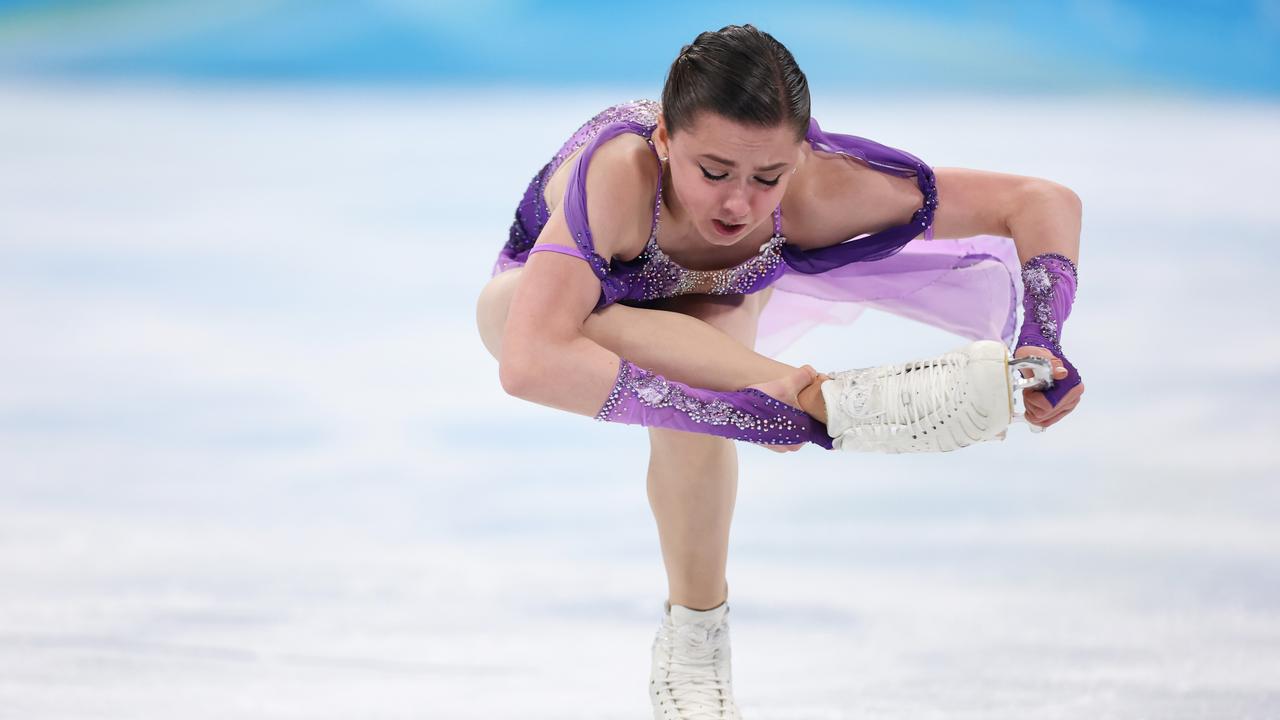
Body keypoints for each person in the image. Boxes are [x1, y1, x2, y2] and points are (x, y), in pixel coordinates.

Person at [475, 24, 1084, 720]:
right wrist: (740, 410)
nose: (738, 205)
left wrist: (1045, 335)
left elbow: (1041, 200)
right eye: (713, 172)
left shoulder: (819, 189)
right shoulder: (621, 173)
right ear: (666, 141)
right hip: (558, 297)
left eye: (768, 177)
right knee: (514, 315)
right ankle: (801, 392)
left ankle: (696, 643)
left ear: (799, 155)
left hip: (716, 302)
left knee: (698, 410)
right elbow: (529, 363)